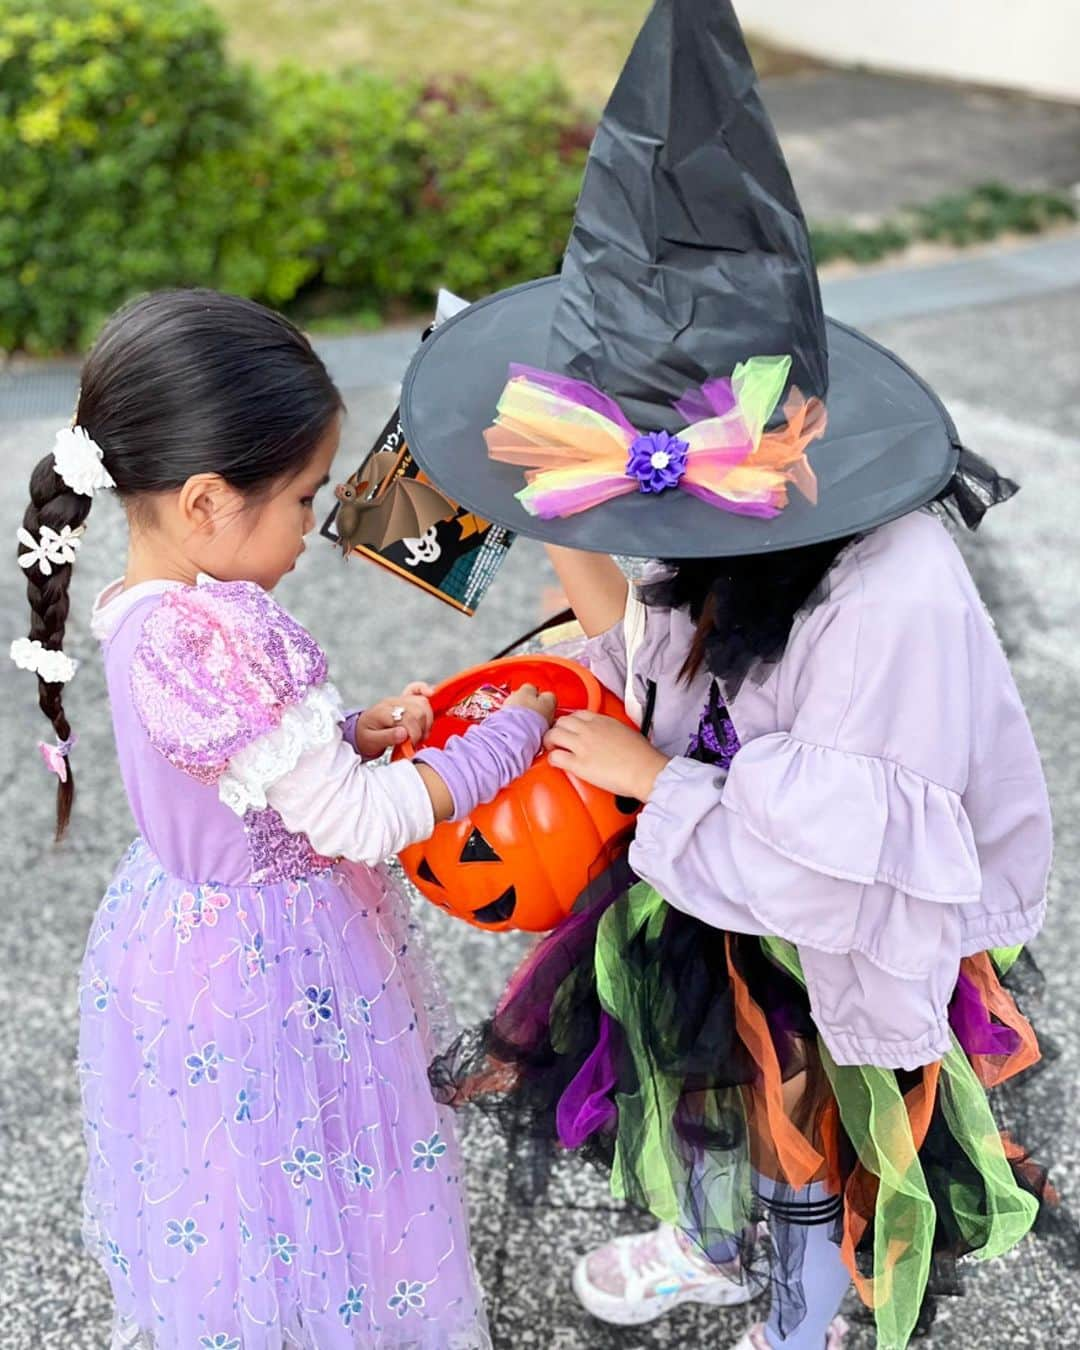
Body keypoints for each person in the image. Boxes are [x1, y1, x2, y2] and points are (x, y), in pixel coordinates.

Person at [393, 3, 1060, 1345]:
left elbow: (836, 854)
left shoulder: (890, 600)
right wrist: (548, 694)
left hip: (827, 904)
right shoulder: (703, 545)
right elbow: (651, 653)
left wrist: (649, 778)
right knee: (687, 1072)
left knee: (800, 1116)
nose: (644, 555)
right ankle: (705, 1240)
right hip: (704, 856)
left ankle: (804, 1311)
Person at [12, 288, 556, 1349]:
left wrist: (350, 728)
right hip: (278, 960)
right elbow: (357, 824)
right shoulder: (226, 633)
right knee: (327, 1147)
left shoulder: (139, 608)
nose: (319, 525)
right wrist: (506, 739)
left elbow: (240, 764)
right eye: (306, 497)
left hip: (185, 940)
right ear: (209, 500)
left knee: (239, 1173)